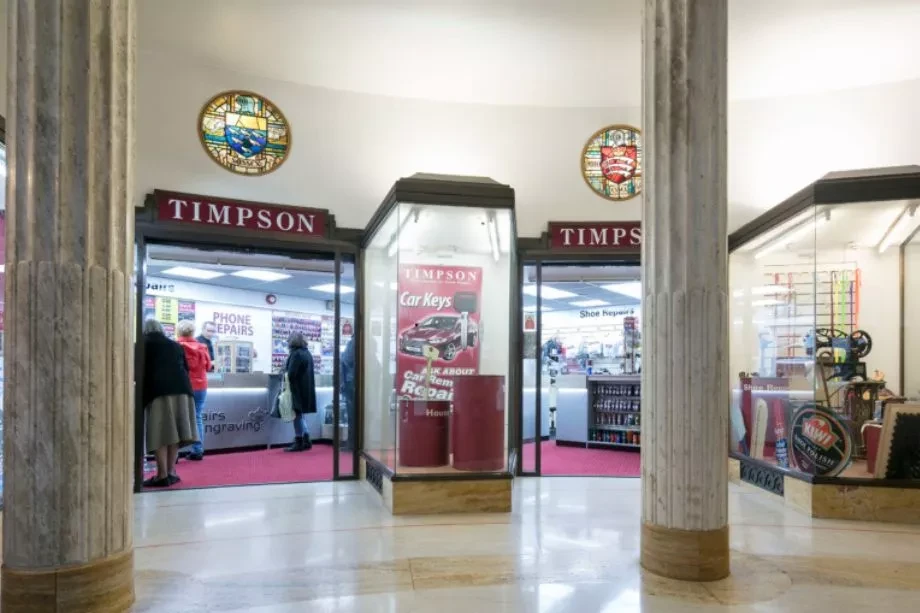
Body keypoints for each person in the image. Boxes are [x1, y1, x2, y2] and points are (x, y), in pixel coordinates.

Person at [141, 319, 198, 487]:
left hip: (159, 392)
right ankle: (172, 472)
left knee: (160, 433)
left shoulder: (143, 344)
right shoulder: (175, 345)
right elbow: (185, 369)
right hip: (183, 392)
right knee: (175, 433)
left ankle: (161, 475)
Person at [177, 321, 212, 461]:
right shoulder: (202, 347)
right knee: (197, 417)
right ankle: (197, 450)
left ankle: (174, 453)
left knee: (179, 417)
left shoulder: (177, 346)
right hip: (201, 386)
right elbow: (209, 366)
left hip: (183, 386)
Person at [285, 332, 317, 452]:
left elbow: (291, 374)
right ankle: (306, 438)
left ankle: (299, 440)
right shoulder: (307, 353)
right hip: (306, 388)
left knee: (297, 415)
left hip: (296, 389)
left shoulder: (295, 354)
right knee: (300, 415)